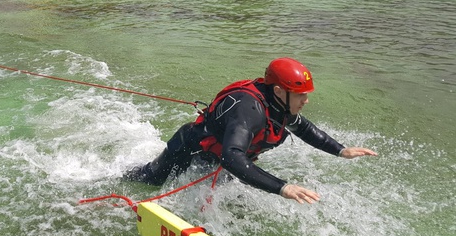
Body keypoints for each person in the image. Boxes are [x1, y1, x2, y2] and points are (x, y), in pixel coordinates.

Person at [124, 58, 378, 204]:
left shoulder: (280, 104)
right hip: (188, 149)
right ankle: (114, 180)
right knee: (149, 181)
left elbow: (305, 128)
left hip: (217, 161)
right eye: (301, 95)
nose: (306, 101)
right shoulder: (251, 110)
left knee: (222, 201)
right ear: (279, 91)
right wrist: (283, 187)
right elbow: (232, 157)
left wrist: (341, 150)